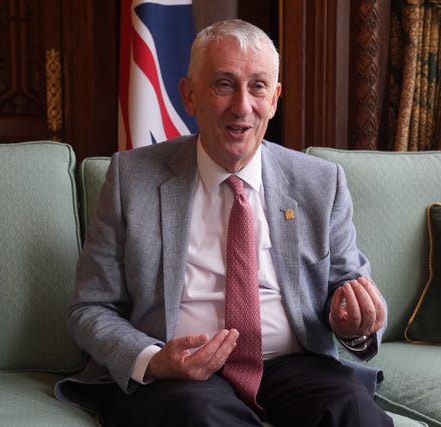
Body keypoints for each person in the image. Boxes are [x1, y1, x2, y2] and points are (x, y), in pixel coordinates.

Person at [56, 19, 392, 427]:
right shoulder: (132, 178)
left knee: (353, 411)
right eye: (223, 84)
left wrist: (355, 323)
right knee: (197, 414)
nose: (243, 106)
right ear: (189, 95)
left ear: (275, 98)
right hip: (180, 374)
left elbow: (352, 289)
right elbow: (91, 307)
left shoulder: (320, 182)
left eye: (258, 86)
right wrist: (155, 360)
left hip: (293, 365)